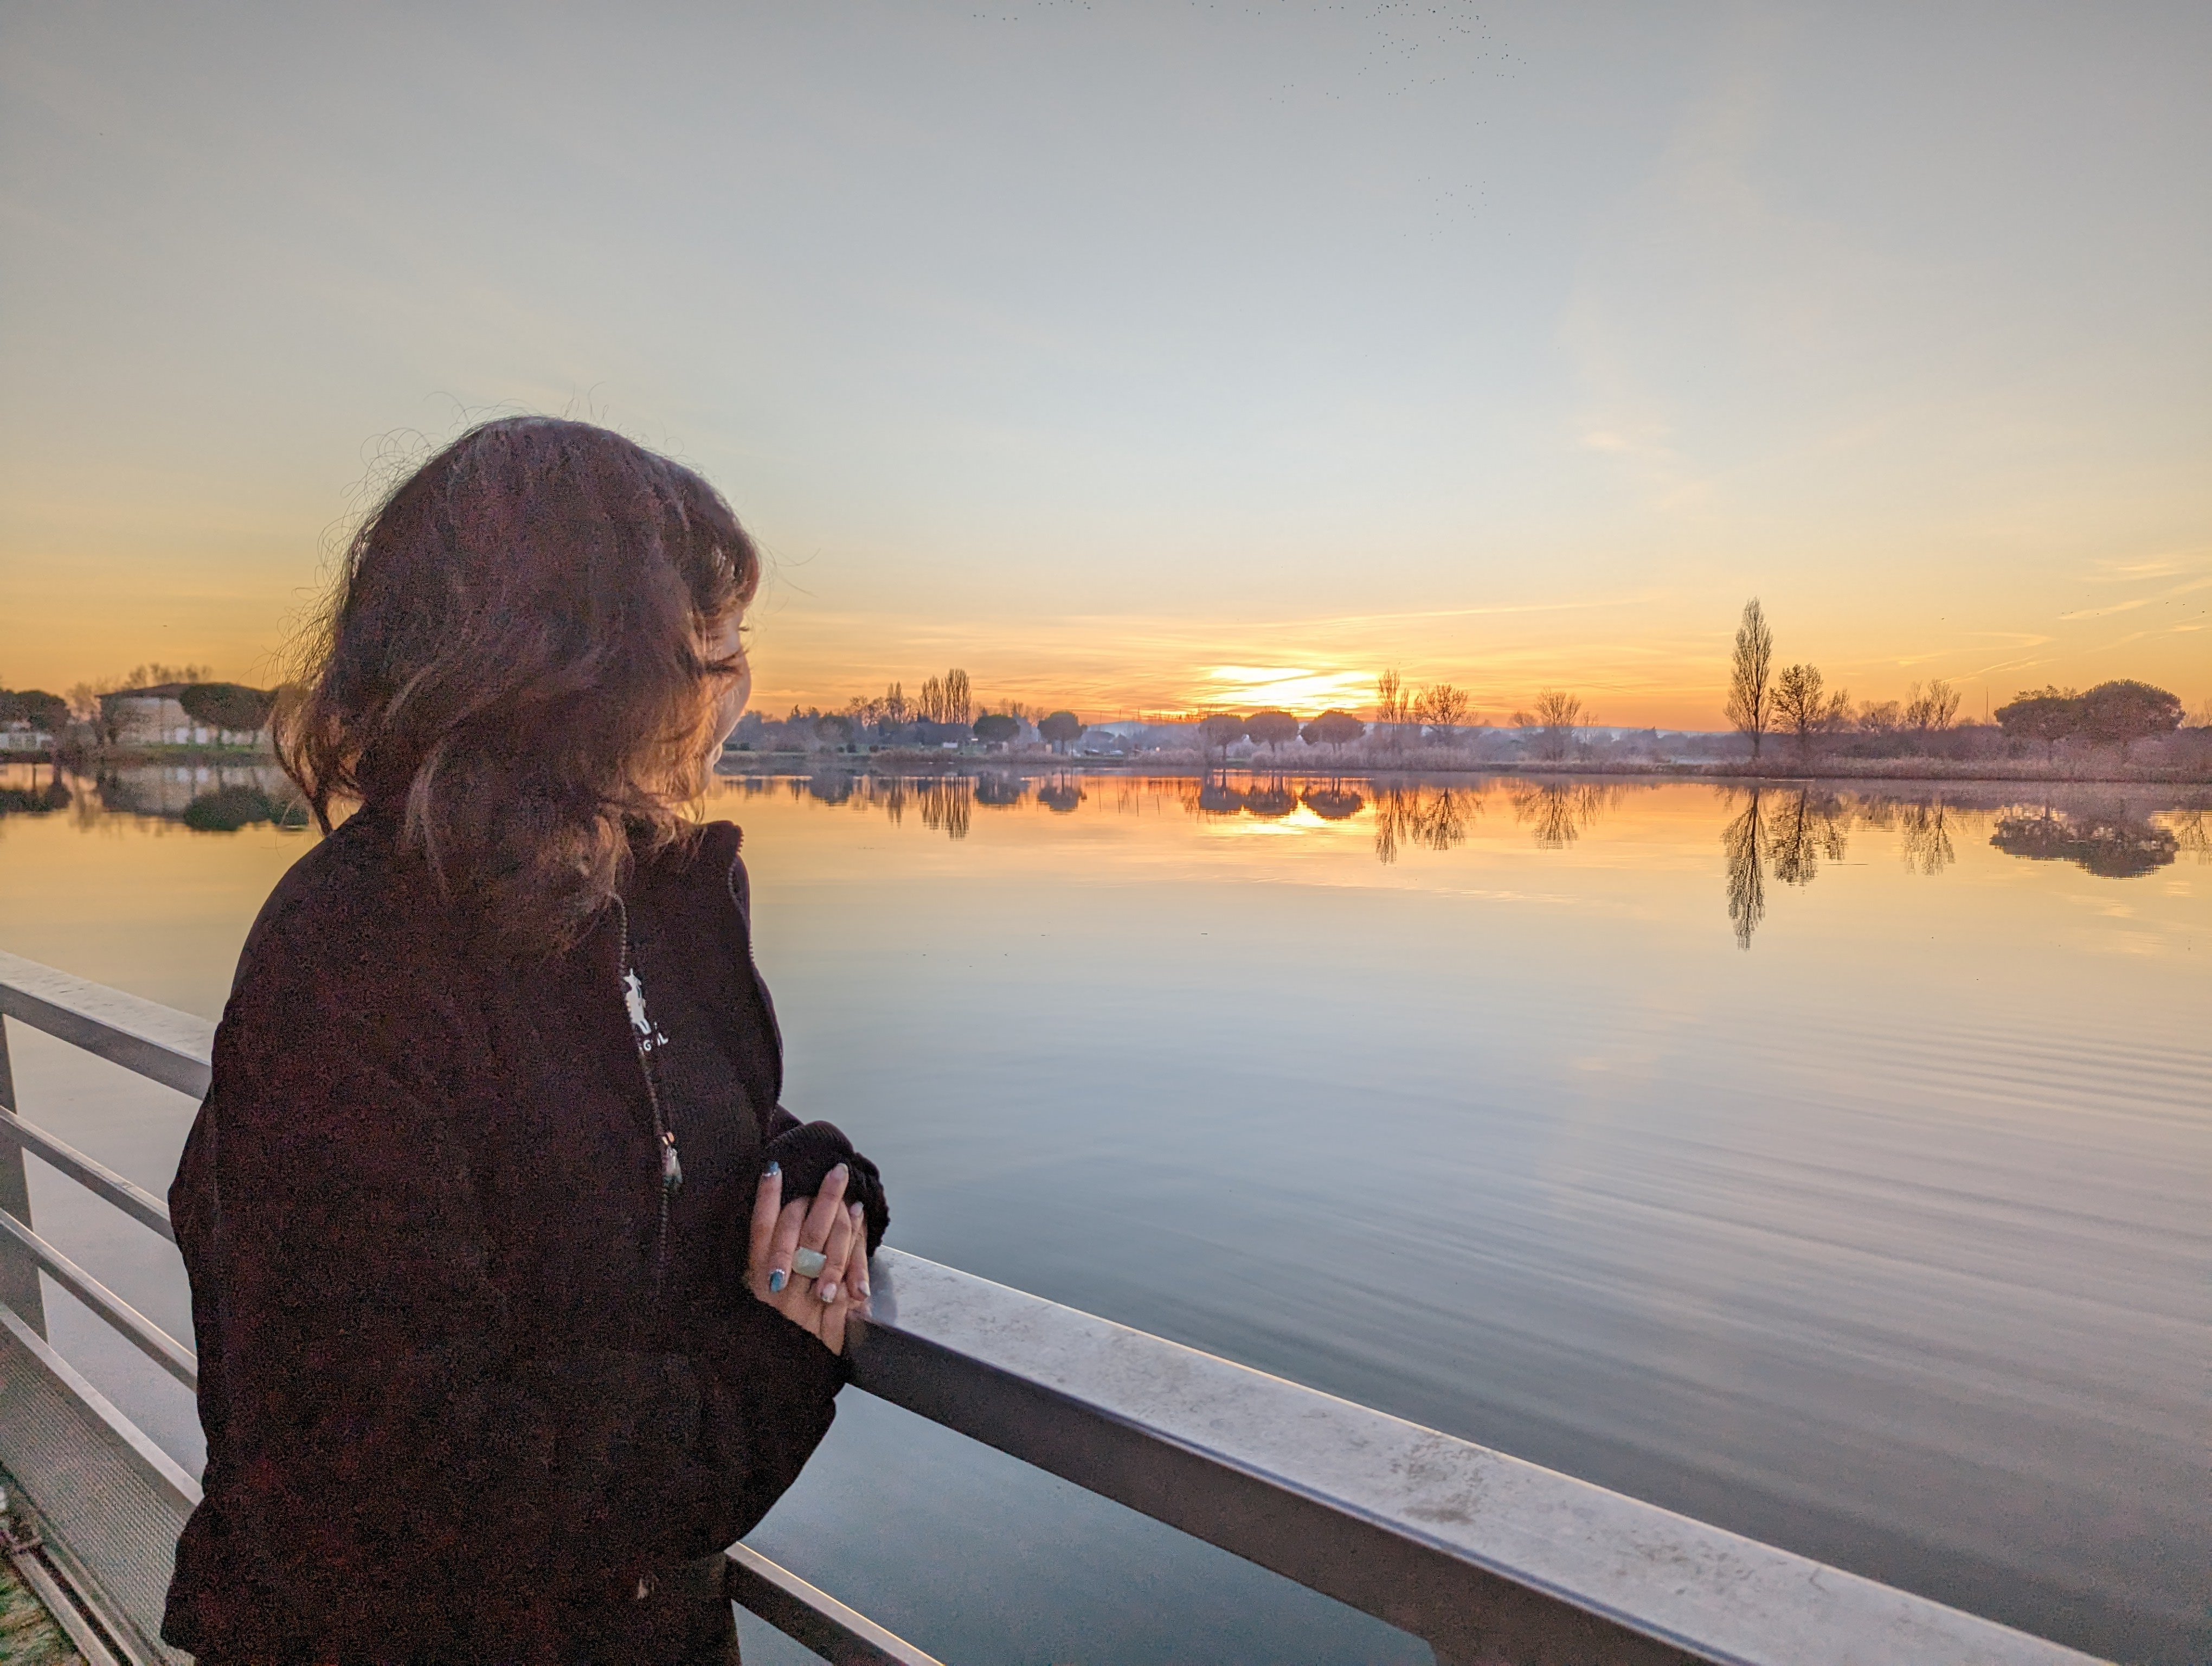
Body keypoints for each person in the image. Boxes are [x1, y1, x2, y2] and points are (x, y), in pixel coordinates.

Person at [163, 417, 888, 1664]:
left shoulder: (634, 897)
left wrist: (818, 1186)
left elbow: (646, 1144)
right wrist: (767, 1377)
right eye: (712, 646)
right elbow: (408, 1474)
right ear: (589, 670)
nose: (736, 688)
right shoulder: (350, 958)